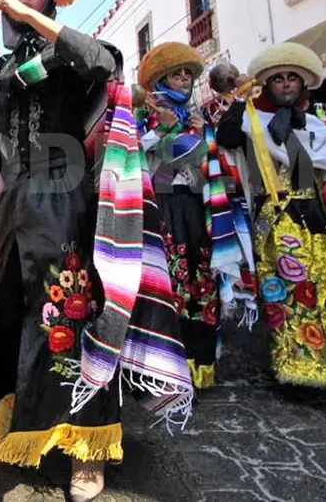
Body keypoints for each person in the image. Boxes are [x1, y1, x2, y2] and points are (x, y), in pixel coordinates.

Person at [0, 0, 192, 502]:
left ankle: (88, 447)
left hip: (66, 200)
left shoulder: (68, 58)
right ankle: (24, 425)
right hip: (13, 206)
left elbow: (108, 62)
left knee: (71, 311)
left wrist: (31, 22)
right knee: (12, 313)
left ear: (52, 1)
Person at [216, 43, 326, 396]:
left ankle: (323, 361)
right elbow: (225, 136)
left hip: (316, 216)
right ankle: (294, 369)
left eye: (292, 79)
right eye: (279, 79)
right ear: (267, 84)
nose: (286, 84)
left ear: (302, 85)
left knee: (323, 290)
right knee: (288, 292)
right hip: (279, 218)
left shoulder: (312, 122)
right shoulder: (250, 119)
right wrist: (242, 97)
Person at [136, 42, 230, 390]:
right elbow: (137, 157)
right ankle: (164, 361)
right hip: (160, 208)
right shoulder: (143, 116)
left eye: (189, 75)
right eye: (178, 75)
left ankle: (200, 360)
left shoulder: (198, 117)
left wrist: (198, 133)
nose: (185, 81)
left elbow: (206, 163)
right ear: (161, 79)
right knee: (167, 283)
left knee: (200, 281)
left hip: (194, 207)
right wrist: (162, 131)